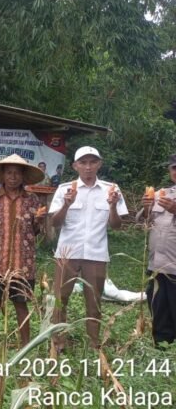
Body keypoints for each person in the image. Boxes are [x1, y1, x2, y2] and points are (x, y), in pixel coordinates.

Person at [49, 146, 127, 351]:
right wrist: (66, 204)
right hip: (67, 253)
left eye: (93, 162)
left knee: (94, 301)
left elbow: (117, 225)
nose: (88, 167)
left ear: (99, 164)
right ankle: (58, 342)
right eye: (83, 162)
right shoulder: (64, 189)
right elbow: (55, 223)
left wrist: (112, 206)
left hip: (96, 253)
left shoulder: (111, 189)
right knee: (60, 298)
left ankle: (93, 344)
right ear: (75, 166)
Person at [0, 154, 46, 347]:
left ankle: (25, 345)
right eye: (9, 173)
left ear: (23, 176)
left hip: (23, 263)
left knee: (21, 303)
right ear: (3, 175)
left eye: (17, 173)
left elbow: (36, 230)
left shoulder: (32, 200)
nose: (13, 177)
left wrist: (39, 221)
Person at [139, 154, 176, 346]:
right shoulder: (162, 193)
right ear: (170, 171)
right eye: (174, 168)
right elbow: (145, 222)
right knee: (159, 309)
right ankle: (162, 348)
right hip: (157, 266)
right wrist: (146, 208)